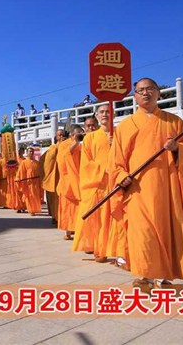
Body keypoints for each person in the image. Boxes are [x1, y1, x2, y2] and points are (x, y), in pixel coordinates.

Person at [110, 78, 183, 291]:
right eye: (141, 90)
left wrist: (177, 148)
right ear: (134, 96)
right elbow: (115, 162)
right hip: (137, 190)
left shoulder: (174, 122)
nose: (146, 93)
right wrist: (122, 175)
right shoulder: (125, 127)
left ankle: (162, 277)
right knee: (143, 234)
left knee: (166, 231)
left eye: (150, 89)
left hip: (167, 189)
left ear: (158, 93)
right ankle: (144, 275)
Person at [72, 107, 112, 262]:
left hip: (117, 181)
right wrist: (103, 168)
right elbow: (86, 164)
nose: (105, 114)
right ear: (97, 116)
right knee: (98, 219)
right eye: (101, 112)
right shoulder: (90, 138)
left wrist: (115, 145)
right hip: (97, 184)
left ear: (114, 113)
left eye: (108, 111)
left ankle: (119, 249)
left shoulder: (120, 133)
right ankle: (100, 248)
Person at [58, 125, 83, 241]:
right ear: (72, 135)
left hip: (80, 180)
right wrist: (76, 142)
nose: (80, 136)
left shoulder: (82, 144)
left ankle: (79, 229)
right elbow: (64, 157)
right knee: (68, 208)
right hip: (68, 182)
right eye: (78, 134)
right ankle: (68, 231)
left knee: (78, 209)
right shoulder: (64, 145)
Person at [41, 129, 66, 225]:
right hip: (55, 178)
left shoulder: (68, 145)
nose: (61, 137)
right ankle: (55, 217)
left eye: (63, 135)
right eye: (59, 135)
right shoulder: (53, 147)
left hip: (65, 177)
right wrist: (60, 146)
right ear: (56, 137)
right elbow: (48, 161)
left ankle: (63, 218)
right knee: (55, 200)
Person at [16, 147, 42, 216]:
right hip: (28, 182)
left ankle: (35, 209)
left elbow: (40, 172)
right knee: (29, 196)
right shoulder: (24, 162)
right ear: (27, 153)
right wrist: (18, 178)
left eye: (32, 151)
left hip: (36, 182)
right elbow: (20, 172)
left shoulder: (37, 162)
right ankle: (31, 210)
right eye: (30, 151)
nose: (31, 152)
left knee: (35, 196)